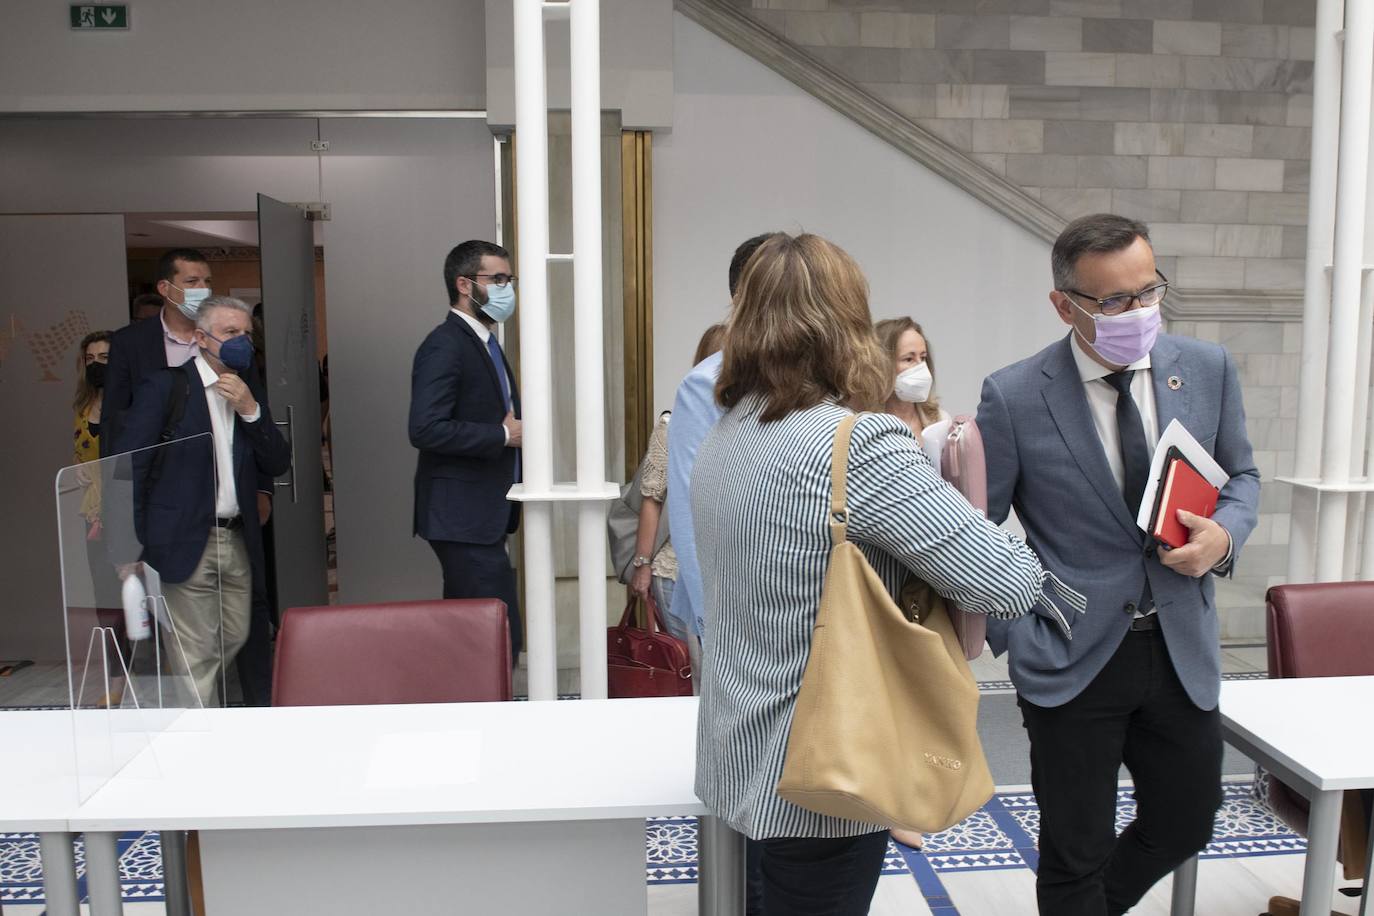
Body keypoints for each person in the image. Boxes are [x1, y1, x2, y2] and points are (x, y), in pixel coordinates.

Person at [693, 232, 1072, 915]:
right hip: (825, 765)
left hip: (739, 753)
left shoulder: (729, 433)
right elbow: (1007, 582)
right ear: (848, 328)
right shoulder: (856, 444)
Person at [975, 213, 1260, 916]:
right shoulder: (1013, 395)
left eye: (1149, 291)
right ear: (1064, 304)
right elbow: (975, 534)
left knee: (1188, 817)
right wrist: (1016, 632)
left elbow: (1242, 479)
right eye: (1115, 301)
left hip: (1179, 646)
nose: (1139, 312)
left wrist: (1223, 538)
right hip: (1071, 655)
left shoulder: (1206, 368)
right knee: (1075, 847)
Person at [115, 296, 290, 706]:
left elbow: (277, 460)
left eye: (246, 333)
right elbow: (128, 466)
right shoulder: (167, 387)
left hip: (236, 540)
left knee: (234, 634)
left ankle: (188, 713)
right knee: (197, 652)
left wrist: (250, 411)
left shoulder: (248, 390)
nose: (241, 342)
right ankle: (198, 739)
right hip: (182, 537)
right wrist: (124, 547)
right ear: (200, 338)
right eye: (230, 333)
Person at [409, 240, 523, 666]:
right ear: (464, 284)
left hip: (482, 512)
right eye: (497, 279)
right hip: (460, 515)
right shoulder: (446, 344)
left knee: (478, 631)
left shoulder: (485, 342)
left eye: (509, 280)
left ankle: (477, 707)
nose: (506, 289)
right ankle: (489, 712)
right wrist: (500, 435)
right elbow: (424, 428)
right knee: (490, 636)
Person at [664, 233, 771, 649]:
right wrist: (714, 619)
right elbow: (689, 505)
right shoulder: (705, 385)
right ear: (744, 297)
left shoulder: (805, 379)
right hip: (731, 604)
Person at [628, 323, 726, 691]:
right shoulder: (674, 423)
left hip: (717, 566)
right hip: (674, 570)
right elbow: (653, 498)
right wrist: (642, 565)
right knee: (694, 671)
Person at [103, 248, 213, 458]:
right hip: (154, 464)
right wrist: (117, 483)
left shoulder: (222, 338)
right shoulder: (129, 342)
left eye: (207, 281)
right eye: (192, 281)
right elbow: (116, 415)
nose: (203, 289)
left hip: (213, 458)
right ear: (164, 288)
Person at [72, 330, 120, 608]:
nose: (96, 364)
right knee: (103, 587)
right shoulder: (82, 405)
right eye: (90, 358)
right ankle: (113, 650)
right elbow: (81, 450)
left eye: (104, 357)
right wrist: (78, 465)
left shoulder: (133, 402)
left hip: (127, 506)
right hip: (94, 511)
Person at [875, 317, 951, 446]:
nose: (921, 367)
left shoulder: (940, 420)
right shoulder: (863, 424)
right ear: (882, 364)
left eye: (923, 357)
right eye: (909, 359)